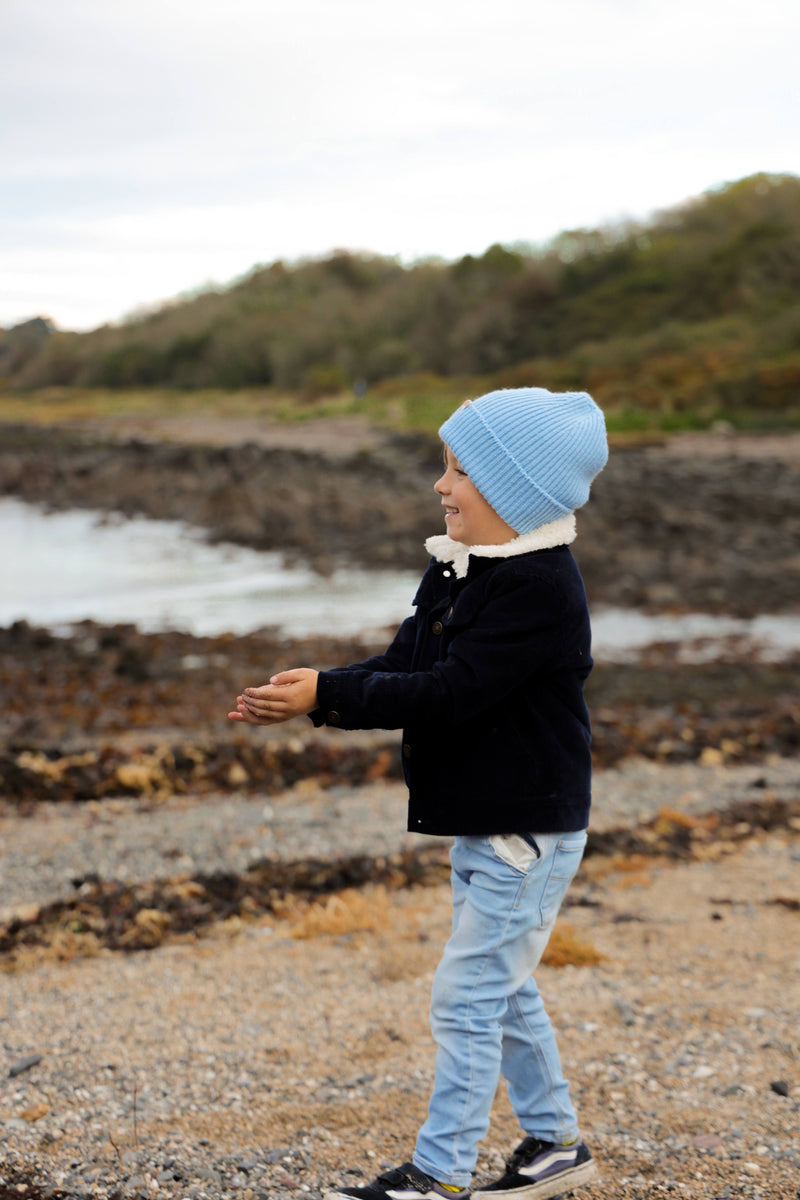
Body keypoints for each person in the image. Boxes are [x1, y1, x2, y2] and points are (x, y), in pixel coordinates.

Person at [228, 387, 608, 1200]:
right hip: (489, 821)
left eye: (461, 469)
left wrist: (327, 694)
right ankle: (555, 1144)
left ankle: (438, 1176)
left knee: (467, 997)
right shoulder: (459, 564)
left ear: (517, 493)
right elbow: (404, 665)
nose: (442, 484)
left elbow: (449, 692)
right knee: (502, 988)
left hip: (527, 831)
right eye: (445, 464)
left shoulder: (541, 589)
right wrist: (320, 690)